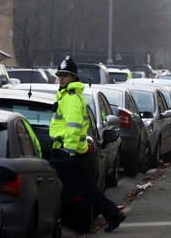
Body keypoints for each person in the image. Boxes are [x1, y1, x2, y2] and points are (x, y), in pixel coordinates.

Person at [49, 55, 125, 233]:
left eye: (65, 75)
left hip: (69, 153)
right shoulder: (66, 95)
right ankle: (109, 215)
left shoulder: (71, 98)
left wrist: (68, 150)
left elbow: (73, 127)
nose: (61, 78)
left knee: (80, 190)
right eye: (59, 75)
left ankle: (110, 215)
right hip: (70, 152)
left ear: (73, 77)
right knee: (82, 190)